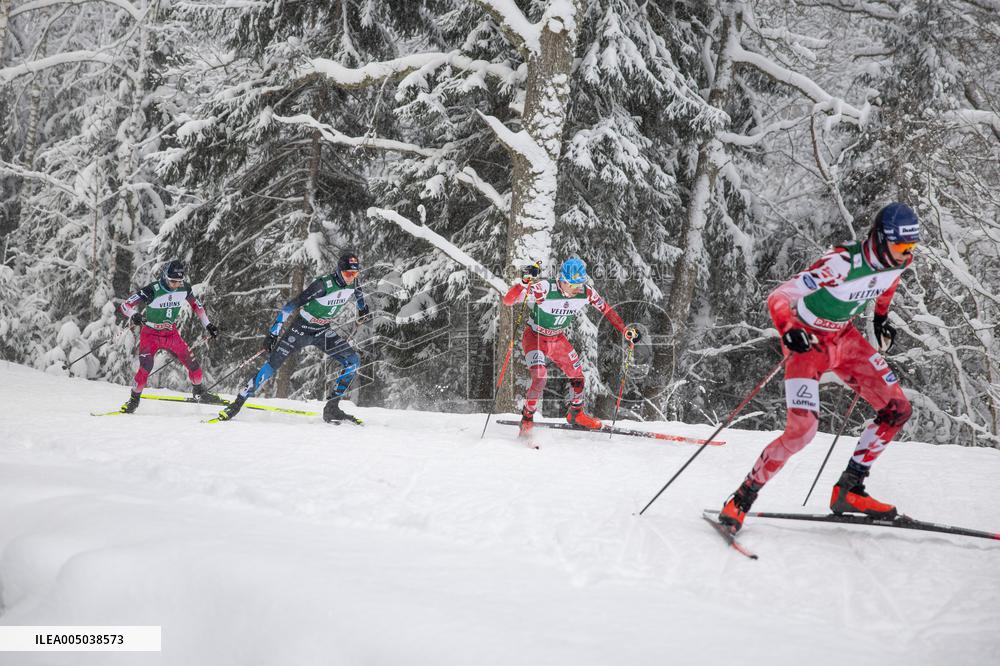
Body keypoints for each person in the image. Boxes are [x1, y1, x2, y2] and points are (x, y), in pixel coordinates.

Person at [718, 203, 921, 532]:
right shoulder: (842, 263)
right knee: (802, 432)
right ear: (883, 239)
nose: (906, 254)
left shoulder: (898, 263)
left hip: (846, 339)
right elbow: (779, 296)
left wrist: (881, 317)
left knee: (897, 409)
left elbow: (888, 284)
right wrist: (788, 328)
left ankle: (850, 490)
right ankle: (741, 499)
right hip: (808, 343)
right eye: (901, 246)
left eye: (911, 247)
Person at [217, 252, 370, 424]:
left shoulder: (353, 283)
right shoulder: (322, 285)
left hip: (321, 331)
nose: (351, 278)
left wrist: (363, 308)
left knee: (353, 361)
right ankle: (236, 405)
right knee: (271, 366)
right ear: (338, 270)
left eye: (355, 274)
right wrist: (273, 333)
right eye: (348, 273)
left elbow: (358, 293)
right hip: (300, 329)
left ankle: (332, 408)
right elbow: (290, 306)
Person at [502, 257, 640, 438]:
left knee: (578, 377)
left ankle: (576, 414)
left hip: (557, 339)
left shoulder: (586, 292)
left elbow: (607, 310)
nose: (577, 288)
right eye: (573, 285)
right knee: (540, 377)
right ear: (563, 280)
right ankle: (527, 418)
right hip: (535, 337)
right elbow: (508, 300)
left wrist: (625, 330)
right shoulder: (545, 288)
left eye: (580, 284)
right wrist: (523, 283)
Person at [118, 259, 221, 413]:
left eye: (179, 281)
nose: (175, 285)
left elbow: (197, 307)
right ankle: (133, 400)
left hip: (171, 334)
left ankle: (199, 392)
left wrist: (208, 325)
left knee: (195, 367)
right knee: (146, 367)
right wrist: (134, 315)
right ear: (165, 277)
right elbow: (125, 305)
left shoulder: (184, 288)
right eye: (173, 281)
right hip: (150, 334)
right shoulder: (152, 290)